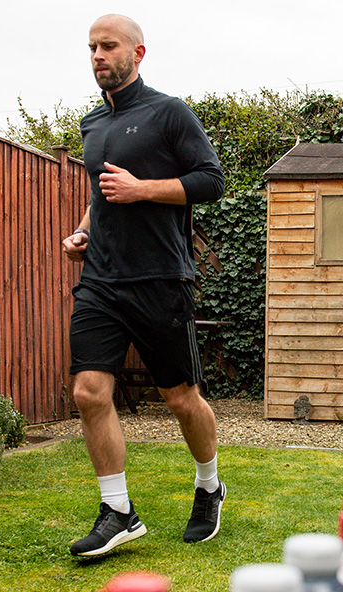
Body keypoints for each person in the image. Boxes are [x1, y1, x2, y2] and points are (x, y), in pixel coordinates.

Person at [60, 13, 227, 557]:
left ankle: (209, 487)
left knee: (180, 398)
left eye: (108, 46)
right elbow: (101, 194)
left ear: (138, 52)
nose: (98, 56)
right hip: (102, 281)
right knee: (89, 392)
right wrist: (84, 231)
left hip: (160, 278)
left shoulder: (169, 113)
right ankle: (118, 510)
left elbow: (212, 181)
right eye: (91, 48)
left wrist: (143, 189)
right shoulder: (91, 125)